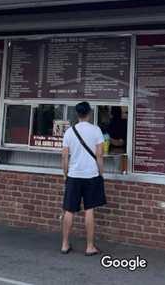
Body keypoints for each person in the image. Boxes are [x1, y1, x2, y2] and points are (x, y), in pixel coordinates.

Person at [61, 101, 106, 256]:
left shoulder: (69, 132)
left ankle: (65, 244)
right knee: (89, 210)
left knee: (69, 210)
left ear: (77, 114)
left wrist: (66, 173)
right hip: (91, 175)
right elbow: (99, 154)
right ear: (89, 113)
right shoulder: (96, 130)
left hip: (74, 175)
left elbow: (65, 156)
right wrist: (101, 172)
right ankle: (89, 247)